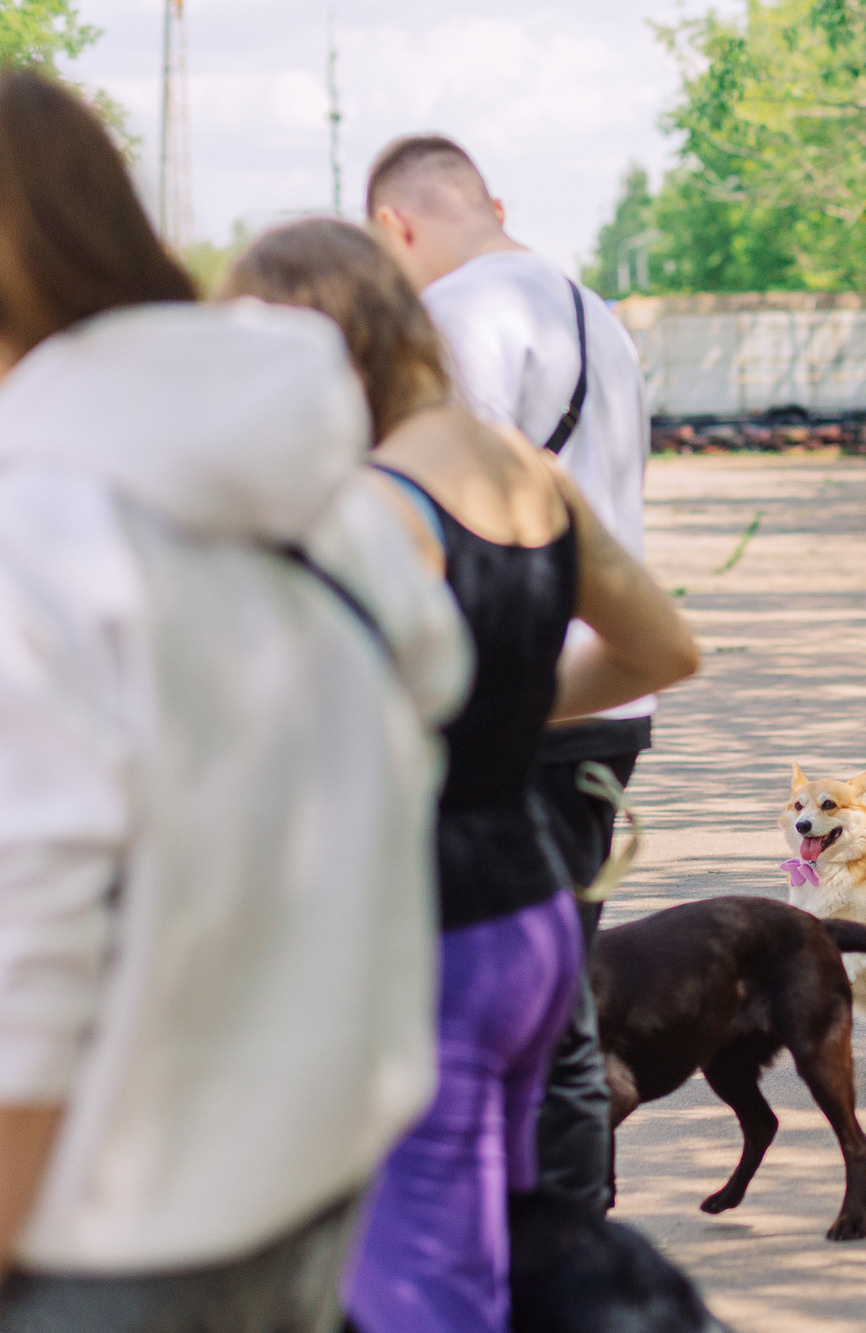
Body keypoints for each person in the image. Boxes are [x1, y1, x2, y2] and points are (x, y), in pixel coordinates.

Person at [0, 72, 467, 1330]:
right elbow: (434, 686)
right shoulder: (320, 499)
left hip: (96, 1236)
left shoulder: (36, 544)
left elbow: (22, 993)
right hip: (305, 1180)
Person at [222, 218, 699, 1332]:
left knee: (419, 1284)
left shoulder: (370, 507)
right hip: (530, 916)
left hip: (420, 930)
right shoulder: (524, 469)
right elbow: (660, 651)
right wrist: (495, 705)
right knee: (503, 1244)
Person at [364, 134, 653, 1213]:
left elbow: (458, 512)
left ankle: (551, 1233)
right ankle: (570, 1224)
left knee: (528, 1009)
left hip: (518, 700)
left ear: (394, 226)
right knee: (560, 982)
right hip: (609, 691)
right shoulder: (594, 314)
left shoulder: (457, 316)